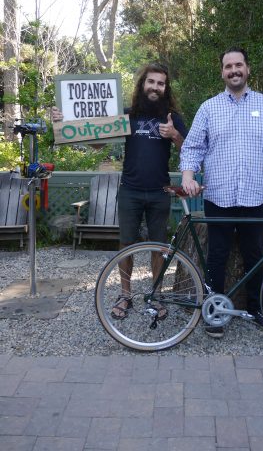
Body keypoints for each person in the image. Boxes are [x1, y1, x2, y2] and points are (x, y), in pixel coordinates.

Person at [52, 63, 187, 320]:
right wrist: (64, 121)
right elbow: (96, 143)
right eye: (151, 82)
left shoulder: (172, 117)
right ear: (142, 84)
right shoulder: (127, 115)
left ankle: (155, 296)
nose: (155, 87)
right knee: (126, 245)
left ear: (165, 88)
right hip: (130, 192)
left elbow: (189, 150)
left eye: (161, 83)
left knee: (158, 247)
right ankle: (125, 296)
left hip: (160, 192)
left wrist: (175, 135)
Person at [180, 47, 263, 338]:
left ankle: (257, 310)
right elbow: (192, 146)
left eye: (238, 65)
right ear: (222, 72)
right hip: (218, 195)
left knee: (254, 254)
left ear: (247, 69)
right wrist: (188, 176)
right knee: (216, 255)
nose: (234, 70)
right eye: (228, 66)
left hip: (255, 195)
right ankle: (214, 311)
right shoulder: (208, 108)